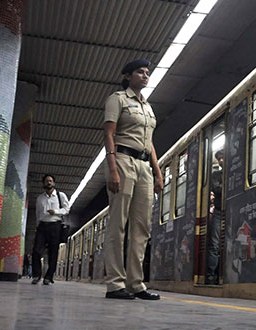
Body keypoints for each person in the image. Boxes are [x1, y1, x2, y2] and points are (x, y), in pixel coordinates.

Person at [103, 59, 164, 300]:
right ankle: (115, 284)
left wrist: (157, 173)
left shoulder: (148, 108)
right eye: (140, 72)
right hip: (122, 160)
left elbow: (149, 143)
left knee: (142, 226)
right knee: (118, 223)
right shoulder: (117, 99)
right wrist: (113, 169)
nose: (145, 75)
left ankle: (136, 283)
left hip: (144, 166)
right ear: (128, 76)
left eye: (148, 73)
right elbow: (108, 133)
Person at [32, 174, 70, 285]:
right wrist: (37, 226)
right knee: (36, 251)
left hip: (55, 226)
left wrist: (56, 211)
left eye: (51, 181)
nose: (49, 182)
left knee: (53, 253)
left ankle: (48, 277)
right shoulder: (40, 198)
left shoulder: (60, 195)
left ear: (54, 183)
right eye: (47, 181)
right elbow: (38, 213)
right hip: (42, 227)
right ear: (43, 183)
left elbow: (67, 209)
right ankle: (36, 275)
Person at [206, 151, 223, 284]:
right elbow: (217, 189)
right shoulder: (216, 175)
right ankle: (212, 274)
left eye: (223, 158)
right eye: (219, 159)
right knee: (214, 244)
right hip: (218, 211)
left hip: (228, 210)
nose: (221, 160)